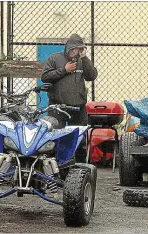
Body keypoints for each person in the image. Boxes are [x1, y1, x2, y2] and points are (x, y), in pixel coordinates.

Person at [41, 33, 98, 162]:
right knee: (55, 137)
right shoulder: (55, 58)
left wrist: (85, 58)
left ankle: (79, 166)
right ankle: (55, 165)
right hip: (57, 106)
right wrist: (64, 70)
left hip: (78, 107)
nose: (75, 52)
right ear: (68, 48)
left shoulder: (82, 61)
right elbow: (45, 77)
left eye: (79, 49)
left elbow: (92, 76)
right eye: (73, 49)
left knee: (79, 139)